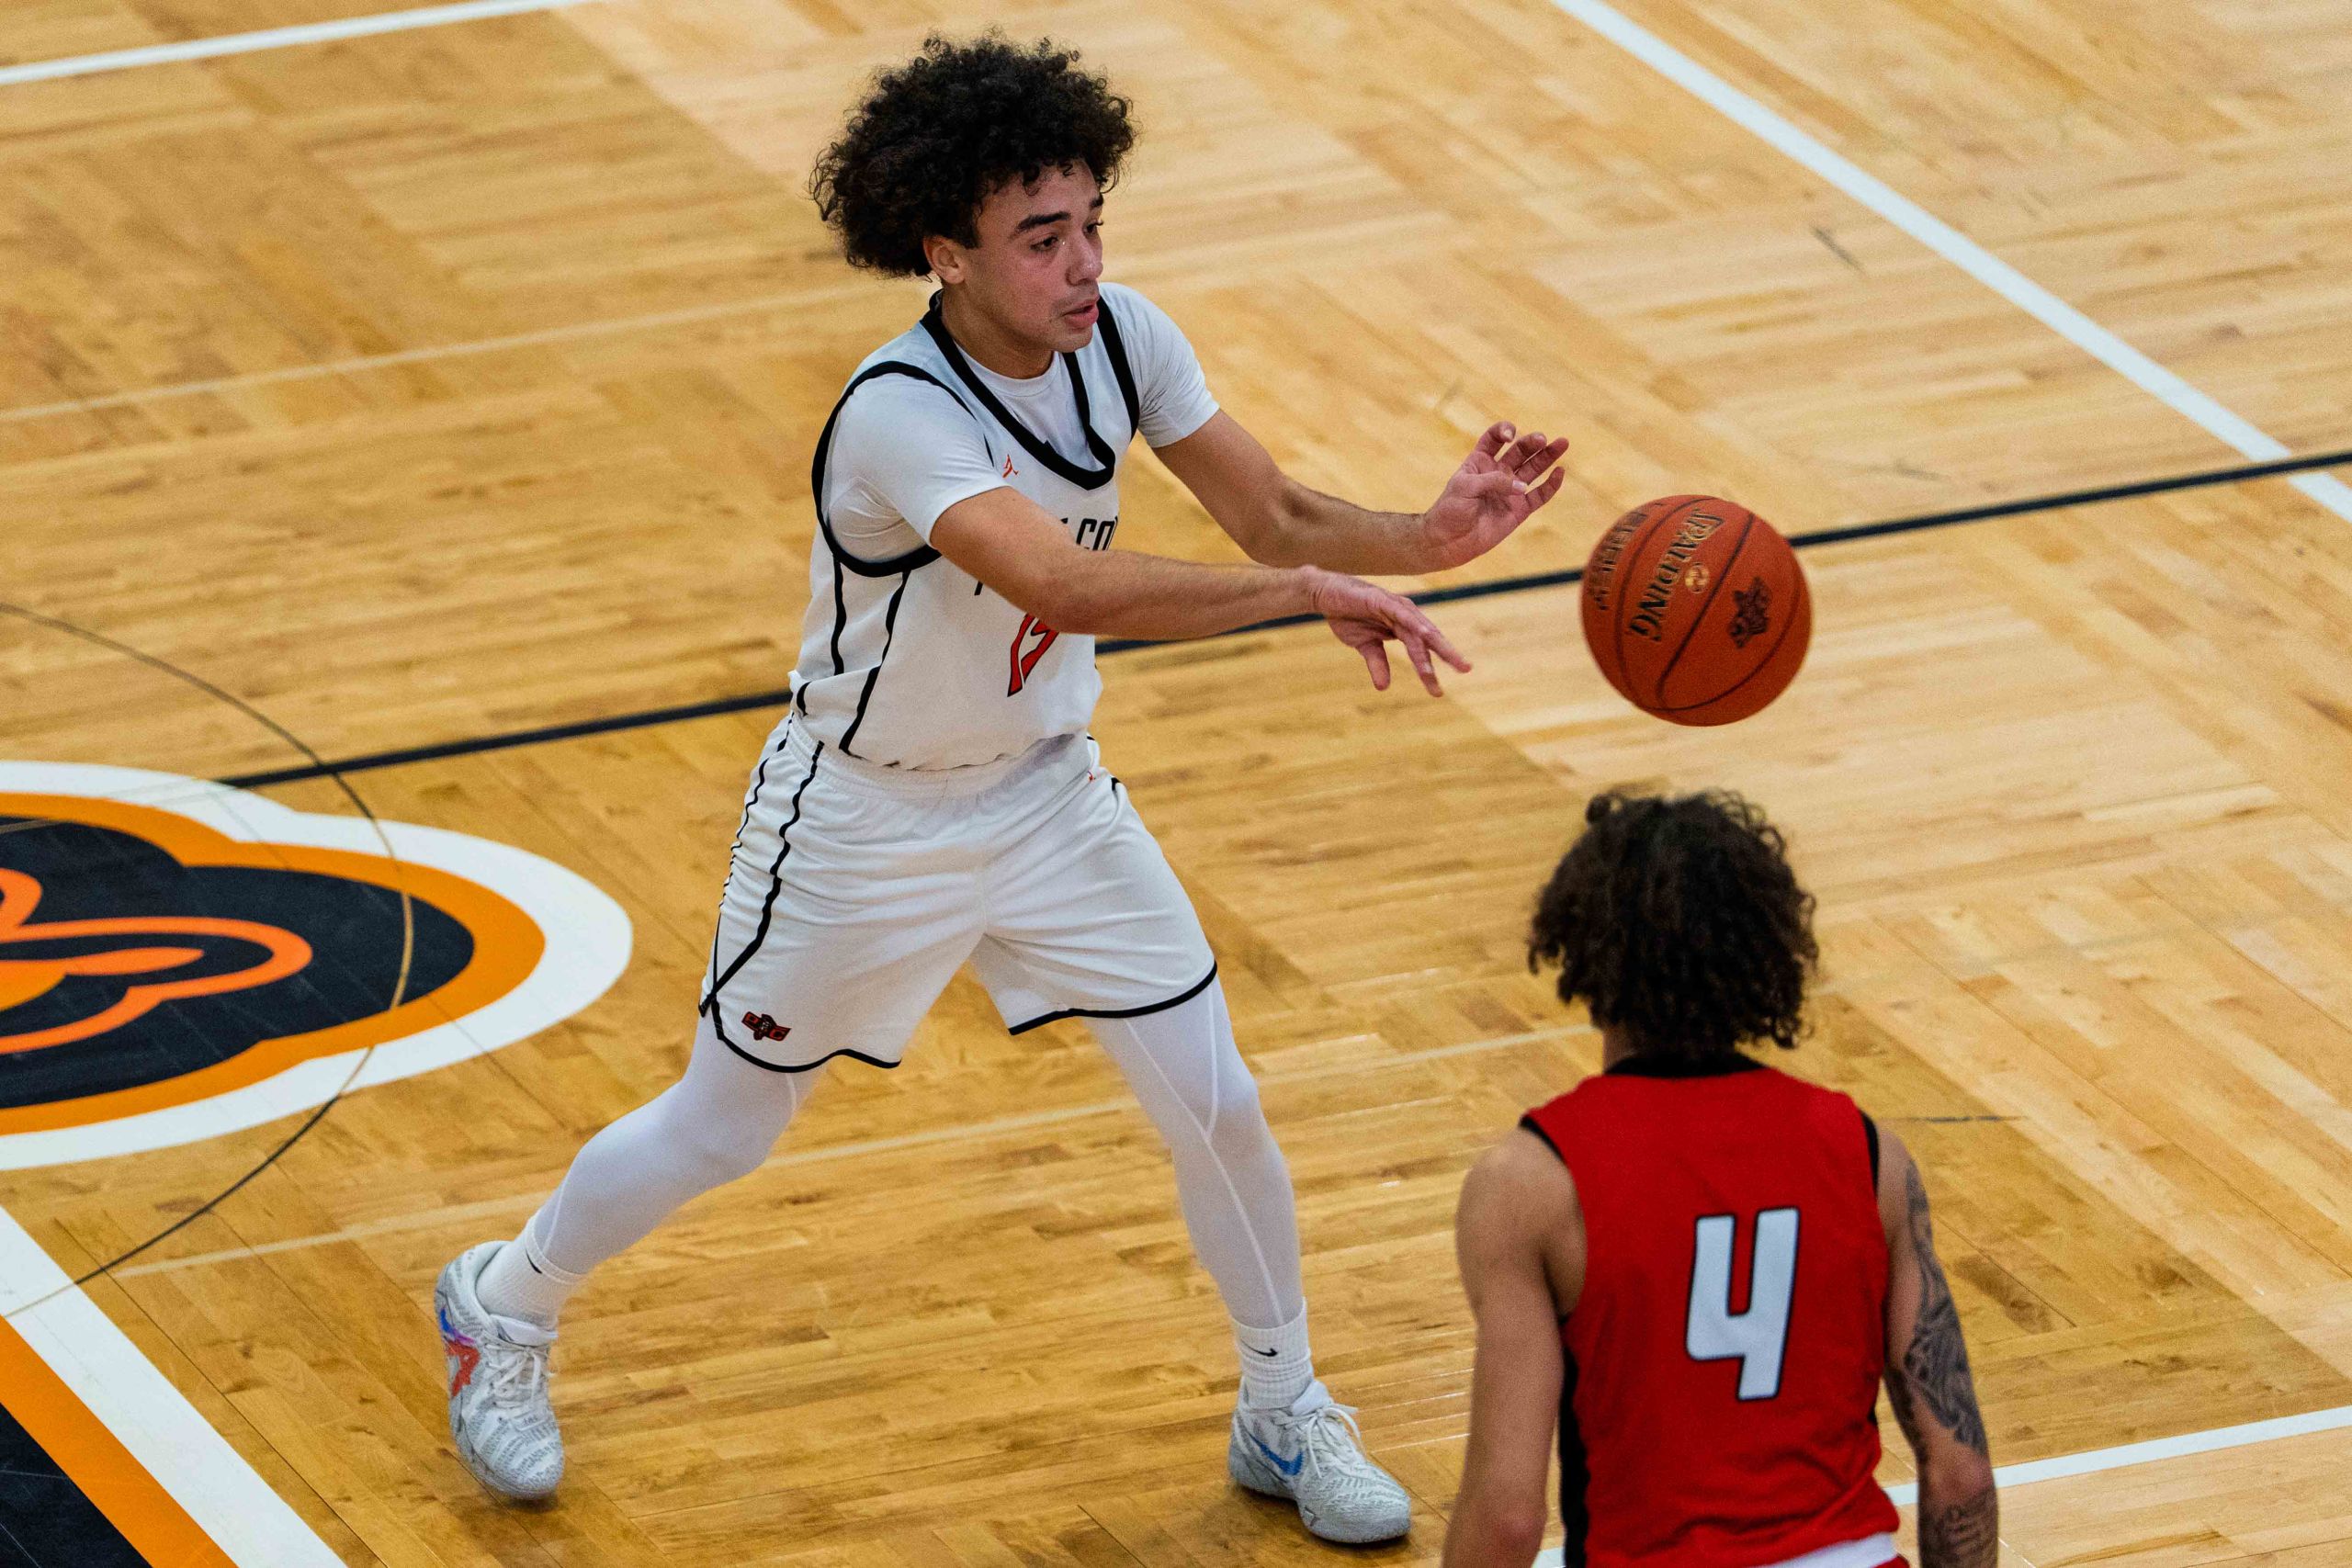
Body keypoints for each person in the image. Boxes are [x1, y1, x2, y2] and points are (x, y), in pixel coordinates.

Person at [432, 31, 1570, 1547]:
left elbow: (1274, 506)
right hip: (863, 818)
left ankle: (1283, 1401)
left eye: (1092, 222)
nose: (1084, 262)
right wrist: (1305, 595)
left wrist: (1426, 540)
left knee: (1218, 1101)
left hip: (1047, 800)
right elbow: (1061, 581)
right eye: (1043, 237)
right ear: (945, 251)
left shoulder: (1124, 338)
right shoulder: (899, 413)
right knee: (724, 1127)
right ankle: (501, 1304)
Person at [1446, 790, 1999, 1567]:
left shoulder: (1529, 1183)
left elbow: (1507, 1518)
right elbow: (1960, 1475)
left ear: (1584, 953)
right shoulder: (1871, 1155)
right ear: (1764, 955)